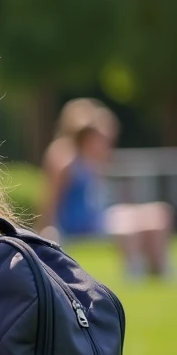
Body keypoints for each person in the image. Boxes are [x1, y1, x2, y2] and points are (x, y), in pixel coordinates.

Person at [39, 98, 173, 278]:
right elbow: (50, 201)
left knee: (159, 214)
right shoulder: (64, 157)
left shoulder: (92, 159)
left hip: (99, 218)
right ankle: (135, 274)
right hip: (80, 226)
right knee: (128, 228)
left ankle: (159, 271)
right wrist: (46, 230)